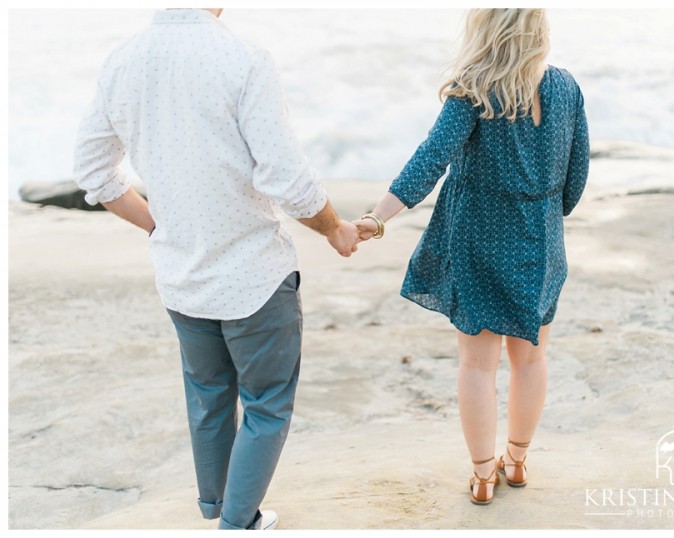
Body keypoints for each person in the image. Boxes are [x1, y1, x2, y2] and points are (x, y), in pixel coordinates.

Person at [73, 8, 360, 530]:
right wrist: (334, 228)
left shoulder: (122, 61)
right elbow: (286, 178)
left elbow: (93, 172)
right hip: (255, 273)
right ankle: (237, 523)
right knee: (266, 404)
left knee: (207, 396)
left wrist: (161, 227)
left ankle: (216, 508)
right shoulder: (243, 59)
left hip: (182, 275)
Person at [355, 8, 589, 505]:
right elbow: (577, 172)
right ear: (537, 31)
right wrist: (547, 211)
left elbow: (431, 158)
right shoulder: (566, 87)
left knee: (478, 366)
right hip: (541, 240)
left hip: (479, 237)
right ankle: (517, 461)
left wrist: (378, 218)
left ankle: (483, 475)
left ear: (485, 31)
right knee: (531, 358)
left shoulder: (475, 89)